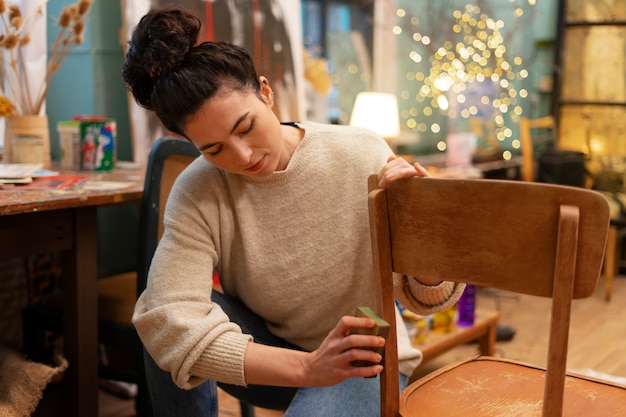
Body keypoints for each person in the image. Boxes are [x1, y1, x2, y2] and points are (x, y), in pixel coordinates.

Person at [123, 6, 465, 417]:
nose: (243, 155)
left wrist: (423, 226)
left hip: (361, 361)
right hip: (275, 362)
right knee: (164, 318)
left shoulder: (360, 153)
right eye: (213, 149)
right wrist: (307, 367)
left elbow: (432, 300)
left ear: (266, 92)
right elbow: (168, 316)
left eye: (245, 127)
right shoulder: (200, 188)